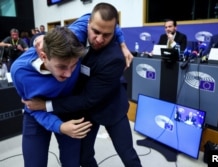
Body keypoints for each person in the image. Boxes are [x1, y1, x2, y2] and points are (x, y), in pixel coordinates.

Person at [23, 3, 142, 167]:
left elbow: (88, 99)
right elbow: (53, 39)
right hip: (85, 112)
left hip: (110, 107)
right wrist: (37, 38)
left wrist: (45, 105)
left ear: (114, 32)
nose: (99, 39)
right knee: (84, 157)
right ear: (88, 25)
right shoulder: (78, 35)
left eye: (106, 35)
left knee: (127, 154)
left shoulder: (114, 59)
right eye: (96, 32)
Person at [10, 27, 93, 167]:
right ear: (43, 56)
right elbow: (32, 106)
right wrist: (59, 127)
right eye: (61, 67)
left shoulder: (74, 36)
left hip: (68, 109)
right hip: (37, 113)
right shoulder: (20, 72)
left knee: (72, 162)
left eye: (73, 66)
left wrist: (121, 44)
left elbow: (97, 15)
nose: (68, 74)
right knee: (34, 163)